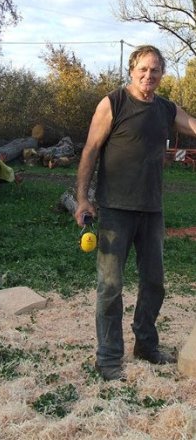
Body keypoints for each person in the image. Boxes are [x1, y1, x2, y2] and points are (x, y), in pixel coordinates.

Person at [75, 44, 196, 381]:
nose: (149, 75)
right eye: (143, 69)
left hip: (152, 211)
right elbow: (90, 150)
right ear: (132, 70)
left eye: (155, 70)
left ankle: (145, 344)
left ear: (162, 74)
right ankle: (109, 358)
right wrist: (83, 199)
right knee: (110, 288)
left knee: (154, 283)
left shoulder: (166, 109)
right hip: (115, 210)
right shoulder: (113, 103)